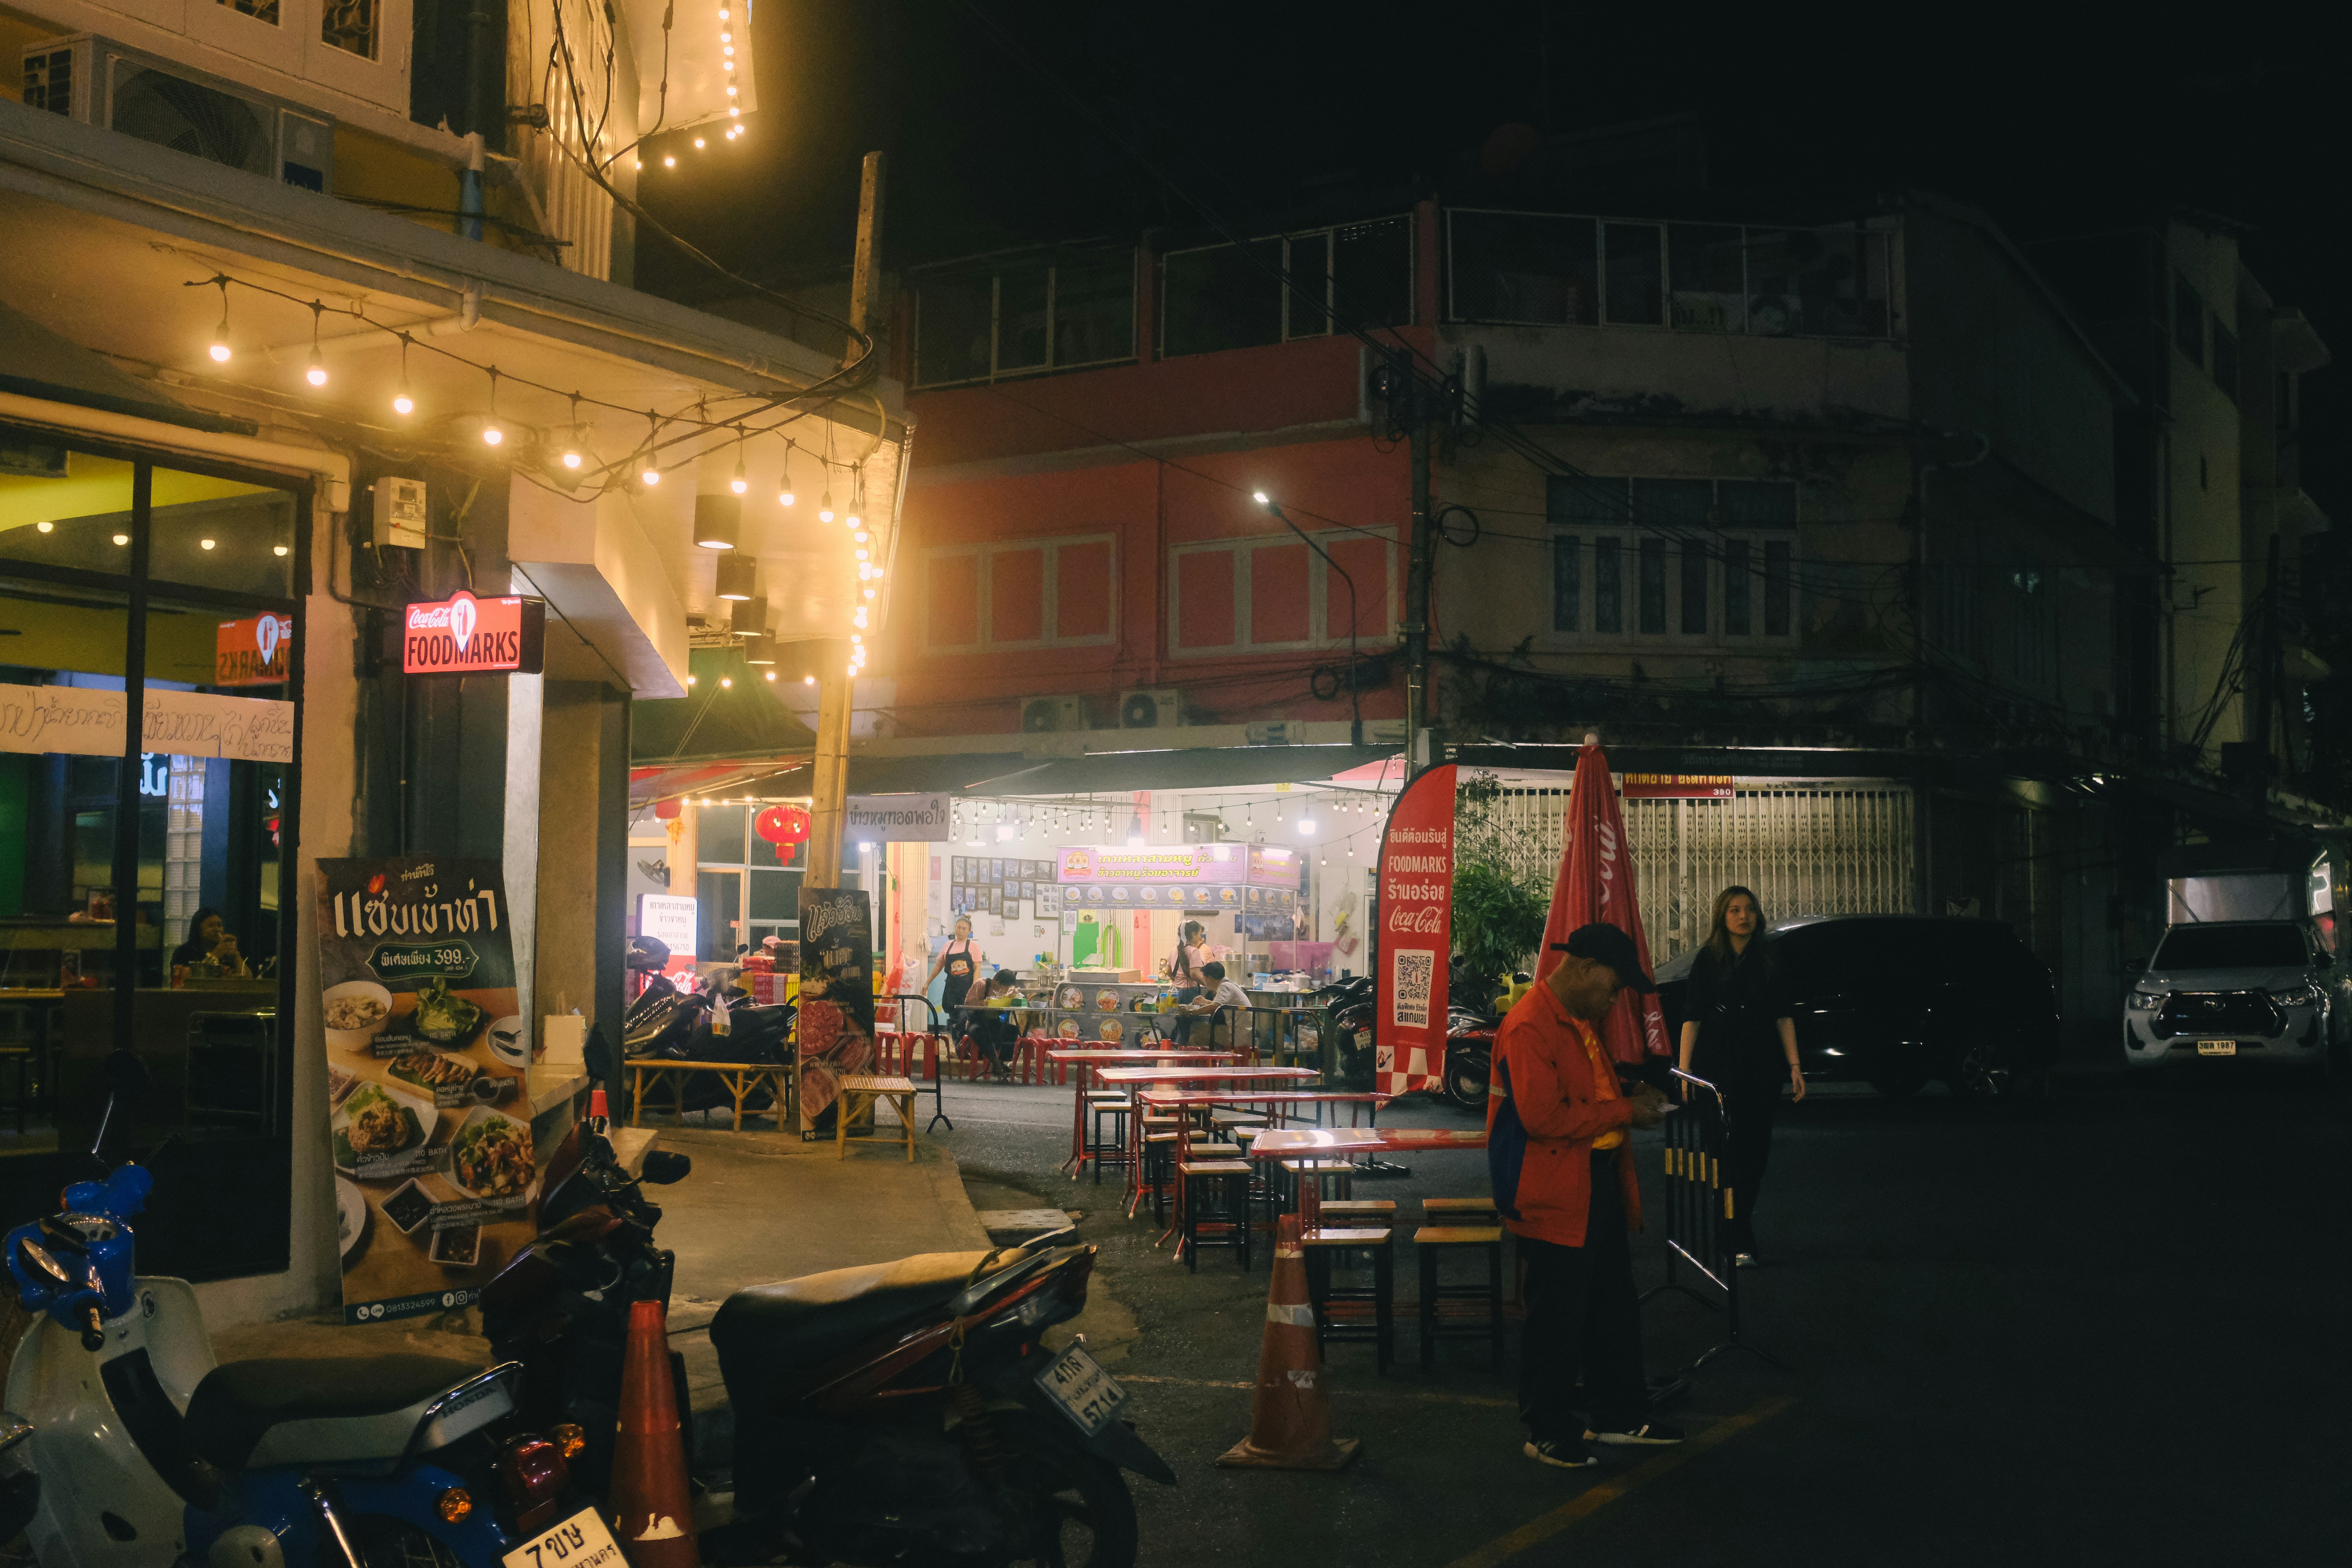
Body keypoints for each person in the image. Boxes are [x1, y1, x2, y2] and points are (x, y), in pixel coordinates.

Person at [1490, 922, 1678, 1469]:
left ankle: (1617, 1413)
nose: (1614, 997)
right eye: (1615, 986)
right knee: (1557, 1314)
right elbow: (1545, 1117)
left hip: (1589, 1179)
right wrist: (1625, 1109)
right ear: (1585, 968)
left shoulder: (1574, 1020)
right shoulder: (1531, 1026)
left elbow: (1578, 1094)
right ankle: (1546, 1428)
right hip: (1551, 1188)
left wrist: (1622, 1094)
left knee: (1610, 1305)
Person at [1676, 885, 1804, 1268]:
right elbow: (1691, 1018)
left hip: (1761, 1068)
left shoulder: (1770, 959)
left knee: (1754, 1156)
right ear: (1722, 916)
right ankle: (1730, 1235)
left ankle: (1740, 1227)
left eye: (1749, 909)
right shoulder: (1708, 960)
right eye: (1734, 910)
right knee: (1722, 1156)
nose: (1743, 916)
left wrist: (1795, 1067)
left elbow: (1784, 1017)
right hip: (1717, 1067)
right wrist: (1684, 1071)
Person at [967, 969, 1024, 1078]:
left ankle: (1002, 1062)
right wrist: (986, 1003)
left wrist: (1012, 998)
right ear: (997, 983)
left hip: (994, 1022)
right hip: (976, 1022)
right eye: (1006, 987)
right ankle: (996, 1063)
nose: (1007, 990)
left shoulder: (1005, 991)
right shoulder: (982, 985)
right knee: (981, 1032)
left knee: (1012, 1031)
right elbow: (968, 1003)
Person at [1181, 960, 1250, 1049]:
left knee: (1196, 1027)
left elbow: (1215, 1007)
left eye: (1204, 977)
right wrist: (1205, 1002)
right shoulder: (1229, 985)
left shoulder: (1225, 987)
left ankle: (1194, 1059)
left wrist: (1191, 1012)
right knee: (1196, 1038)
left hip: (1238, 1034)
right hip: (1243, 1033)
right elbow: (1222, 1006)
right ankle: (1208, 1061)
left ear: (1209, 978)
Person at [927, 916, 983, 1019]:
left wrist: (974, 990)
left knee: (964, 1018)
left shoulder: (973, 946)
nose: (961, 931)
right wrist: (927, 983)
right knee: (954, 1019)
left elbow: (977, 969)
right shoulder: (948, 945)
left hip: (967, 990)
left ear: (969, 931)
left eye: (964, 929)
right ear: (955, 928)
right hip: (951, 990)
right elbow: (938, 966)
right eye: (959, 928)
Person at [170, 907, 248, 978]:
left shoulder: (227, 954)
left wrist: (236, 954)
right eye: (211, 926)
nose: (217, 929)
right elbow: (188, 977)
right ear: (198, 930)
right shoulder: (184, 952)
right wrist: (215, 955)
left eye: (219, 925)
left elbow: (247, 978)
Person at [1169, 921, 1209, 1042]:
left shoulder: (1174, 952)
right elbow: (1195, 974)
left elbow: (1168, 972)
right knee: (1190, 1030)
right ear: (1193, 934)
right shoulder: (1193, 951)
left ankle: (1177, 1058)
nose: (1201, 938)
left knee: (1182, 1028)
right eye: (1200, 934)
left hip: (1177, 994)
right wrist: (1210, 985)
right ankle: (1184, 1059)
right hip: (1190, 994)